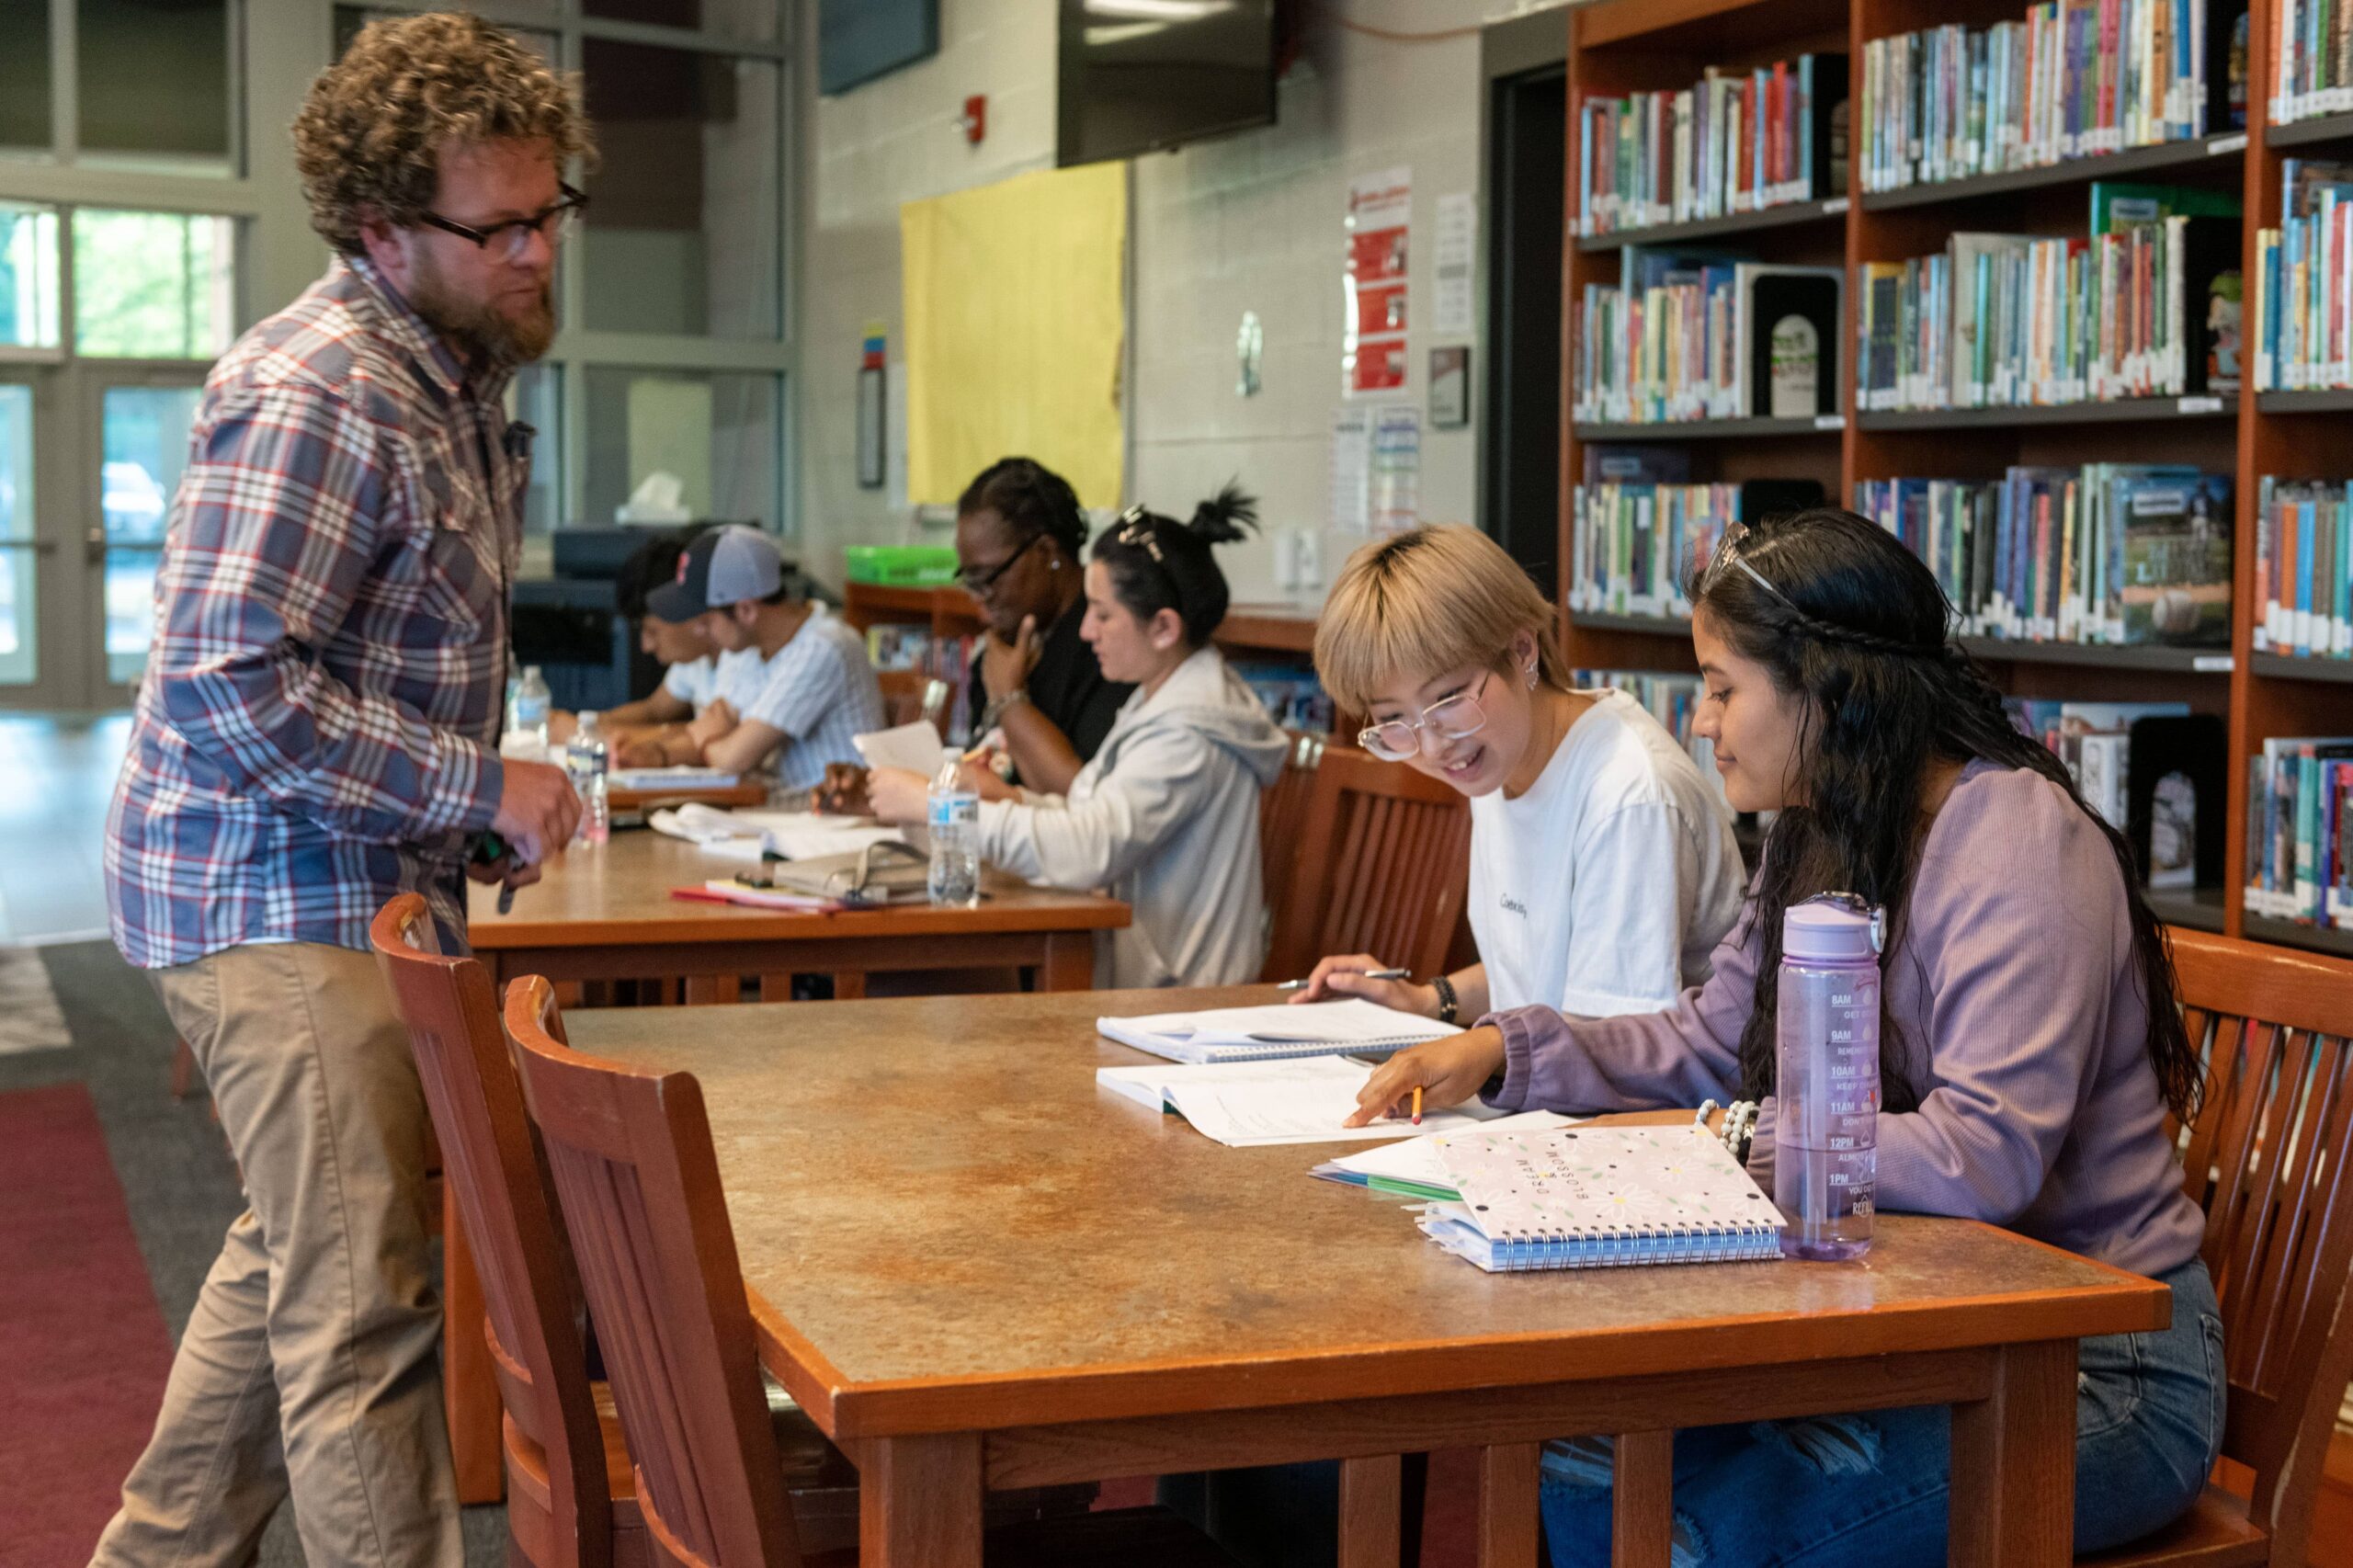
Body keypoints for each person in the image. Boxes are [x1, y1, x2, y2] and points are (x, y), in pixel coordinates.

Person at [1347, 507, 2221, 1567]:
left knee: (1690, 1531)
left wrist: (1743, 1134)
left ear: (1828, 686)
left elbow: (1985, 1152)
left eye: (1722, 686)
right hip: (1920, 1313)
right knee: (1582, 1449)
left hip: (2093, 1362)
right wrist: (1502, 1050)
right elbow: (1712, 1037)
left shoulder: (2018, 843)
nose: (1703, 722)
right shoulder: (1821, 824)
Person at [95, 15, 589, 1568]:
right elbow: (225, 687)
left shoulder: (450, 372)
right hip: (267, 896)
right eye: (495, 227)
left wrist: (463, 812)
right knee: (364, 1318)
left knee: (296, 1257)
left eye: (548, 211)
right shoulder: (326, 387)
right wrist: (476, 779)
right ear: (382, 230)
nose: (534, 252)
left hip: (345, 879)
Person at [1290, 525, 1744, 1023]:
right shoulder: (1498, 749)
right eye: (1394, 720)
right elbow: (1543, 970)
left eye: (1448, 699)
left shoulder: (1628, 795)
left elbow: (1609, 1040)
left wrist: (1471, 1061)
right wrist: (1426, 1000)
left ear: (1523, 650)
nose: (1435, 745)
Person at [867, 486, 1289, 987]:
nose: (1087, 631)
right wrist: (1013, 797)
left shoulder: (1188, 732)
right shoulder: (1161, 697)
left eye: (1103, 614)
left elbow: (1089, 850)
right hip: (1144, 995)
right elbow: (1093, 813)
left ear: (1164, 628)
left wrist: (935, 805)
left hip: (1181, 1010)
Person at [818, 456, 1131, 812]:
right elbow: (987, 781)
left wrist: (1010, 701)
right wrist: (883, 794)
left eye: (989, 577)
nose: (980, 597)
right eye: (970, 580)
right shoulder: (998, 652)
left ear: (1047, 552)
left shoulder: (1107, 650)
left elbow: (1088, 804)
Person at [629, 524, 885, 790]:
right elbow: (714, 726)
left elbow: (733, 758)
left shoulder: (824, 647)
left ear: (747, 611)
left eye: (707, 620)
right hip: (781, 812)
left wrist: (708, 741)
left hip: (838, 819)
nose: (698, 630)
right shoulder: (747, 647)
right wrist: (649, 753)